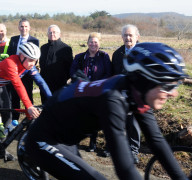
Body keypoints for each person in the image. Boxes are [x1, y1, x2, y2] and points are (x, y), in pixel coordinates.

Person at [25, 42, 189, 180]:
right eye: (168, 86)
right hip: (45, 138)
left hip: (67, 136)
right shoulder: (113, 99)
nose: (174, 93)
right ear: (146, 81)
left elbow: (157, 142)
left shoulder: (135, 92)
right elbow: (124, 168)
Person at [0, 42, 52, 161]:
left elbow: (41, 82)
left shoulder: (29, 66)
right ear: (21, 56)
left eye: (35, 61)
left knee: (8, 117)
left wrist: (52, 99)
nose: (33, 64)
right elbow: (18, 85)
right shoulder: (10, 63)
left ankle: (1, 148)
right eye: (30, 60)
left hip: (0, 85)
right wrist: (28, 106)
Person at [70, 32, 112, 152]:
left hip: (98, 91)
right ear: (87, 43)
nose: (93, 44)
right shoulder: (79, 57)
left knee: (95, 117)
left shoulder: (104, 57)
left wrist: (95, 85)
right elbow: (73, 72)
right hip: (82, 90)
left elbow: (108, 74)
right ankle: (74, 140)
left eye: (96, 42)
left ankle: (92, 143)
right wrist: (84, 83)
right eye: (91, 42)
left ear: (99, 43)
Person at [112, 24, 141, 163]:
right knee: (119, 123)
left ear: (137, 37)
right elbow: (114, 75)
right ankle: (119, 150)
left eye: (130, 35)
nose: (128, 38)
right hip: (120, 94)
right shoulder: (117, 54)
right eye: (125, 35)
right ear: (122, 37)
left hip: (138, 95)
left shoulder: (143, 52)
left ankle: (133, 152)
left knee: (134, 125)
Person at [7, 18, 39, 120]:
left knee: (28, 96)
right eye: (22, 26)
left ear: (29, 28)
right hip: (14, 73)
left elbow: (35, 58)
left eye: (26, 26)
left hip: (27, 73)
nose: (23, 28)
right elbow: (9, 55)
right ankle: (14, 121)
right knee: (14, 97)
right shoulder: (13, 39)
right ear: (18, 27)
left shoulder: (34, 41)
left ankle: (29, 119)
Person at [39, 25, 73, 103]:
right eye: (50, 32)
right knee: (45, 106)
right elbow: (42, 64)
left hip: (59, 84)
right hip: (45, 83)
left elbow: (69, 67)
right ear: (47, 34)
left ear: (59, 34)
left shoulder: (66, 48)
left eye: (54, 32)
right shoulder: (43, 48)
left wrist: (63, 78)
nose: (52, 34)